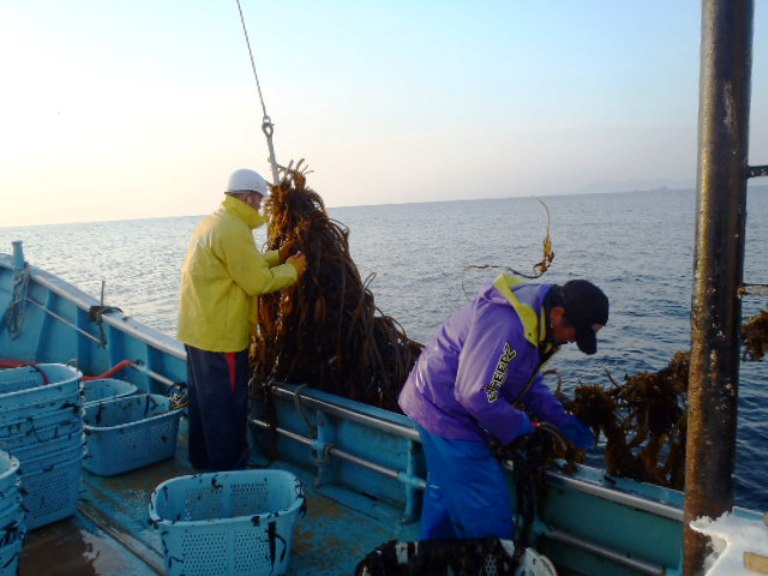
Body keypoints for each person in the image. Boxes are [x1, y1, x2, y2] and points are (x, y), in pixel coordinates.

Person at [398, 274, 609, 541]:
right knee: (485, 499)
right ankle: (491, 563)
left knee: (447, 488)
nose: (570, 341)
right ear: (558, 313)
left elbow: (525, 379)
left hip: (435, 398)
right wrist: (520, 427)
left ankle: (435, 557)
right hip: (443, 408)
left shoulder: (536, 320)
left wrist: (560, 418)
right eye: (574, 334)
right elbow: (476, 394)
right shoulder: (509, 324)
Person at [177, 168, 307, 470]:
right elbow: (256, 282)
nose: (260, 207)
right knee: (226, 410)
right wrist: (294, 270)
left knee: (204, 406)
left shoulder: (215, 222)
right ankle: (229, 475)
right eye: (259, 200)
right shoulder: (234, 229)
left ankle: (203, 464)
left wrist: (277, 256)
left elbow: (240, 265)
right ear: (248, 196)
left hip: (197, 333)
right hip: (221, 341)